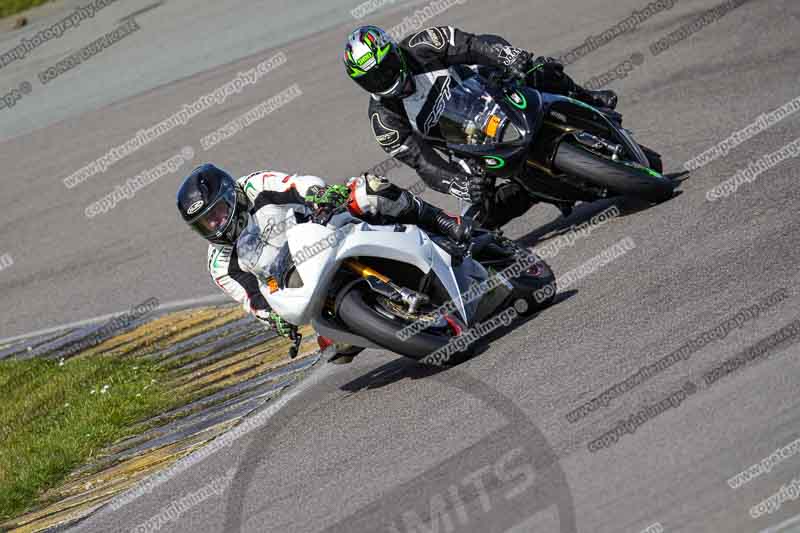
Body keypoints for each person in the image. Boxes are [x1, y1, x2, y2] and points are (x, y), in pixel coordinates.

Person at [176, 163, 472, 356]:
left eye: (217, 213)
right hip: (302, 283)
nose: (215, 225)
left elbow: (295, 185)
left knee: (368, 190)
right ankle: (377, 320)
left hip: (326, 227)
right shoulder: (219, 263)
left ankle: (443, 222)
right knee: (335, 348)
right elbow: (251, 298)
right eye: (206, 223)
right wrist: (275, 320)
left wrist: (319, 194)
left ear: (232, 196)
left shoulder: (254, 186)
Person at [343, 25, 619, 228]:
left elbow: (474, 45)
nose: (385, 78)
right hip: (467, 148)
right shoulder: (384, 122)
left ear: (394, 51)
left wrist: (507, 57)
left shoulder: (423, 45)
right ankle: (531, 190)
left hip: (489, 89)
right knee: (475, 224)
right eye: (373, 78)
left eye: (387, 66)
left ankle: (587, 97)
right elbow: (424, 163)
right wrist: (461, 184)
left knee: (537, 69)